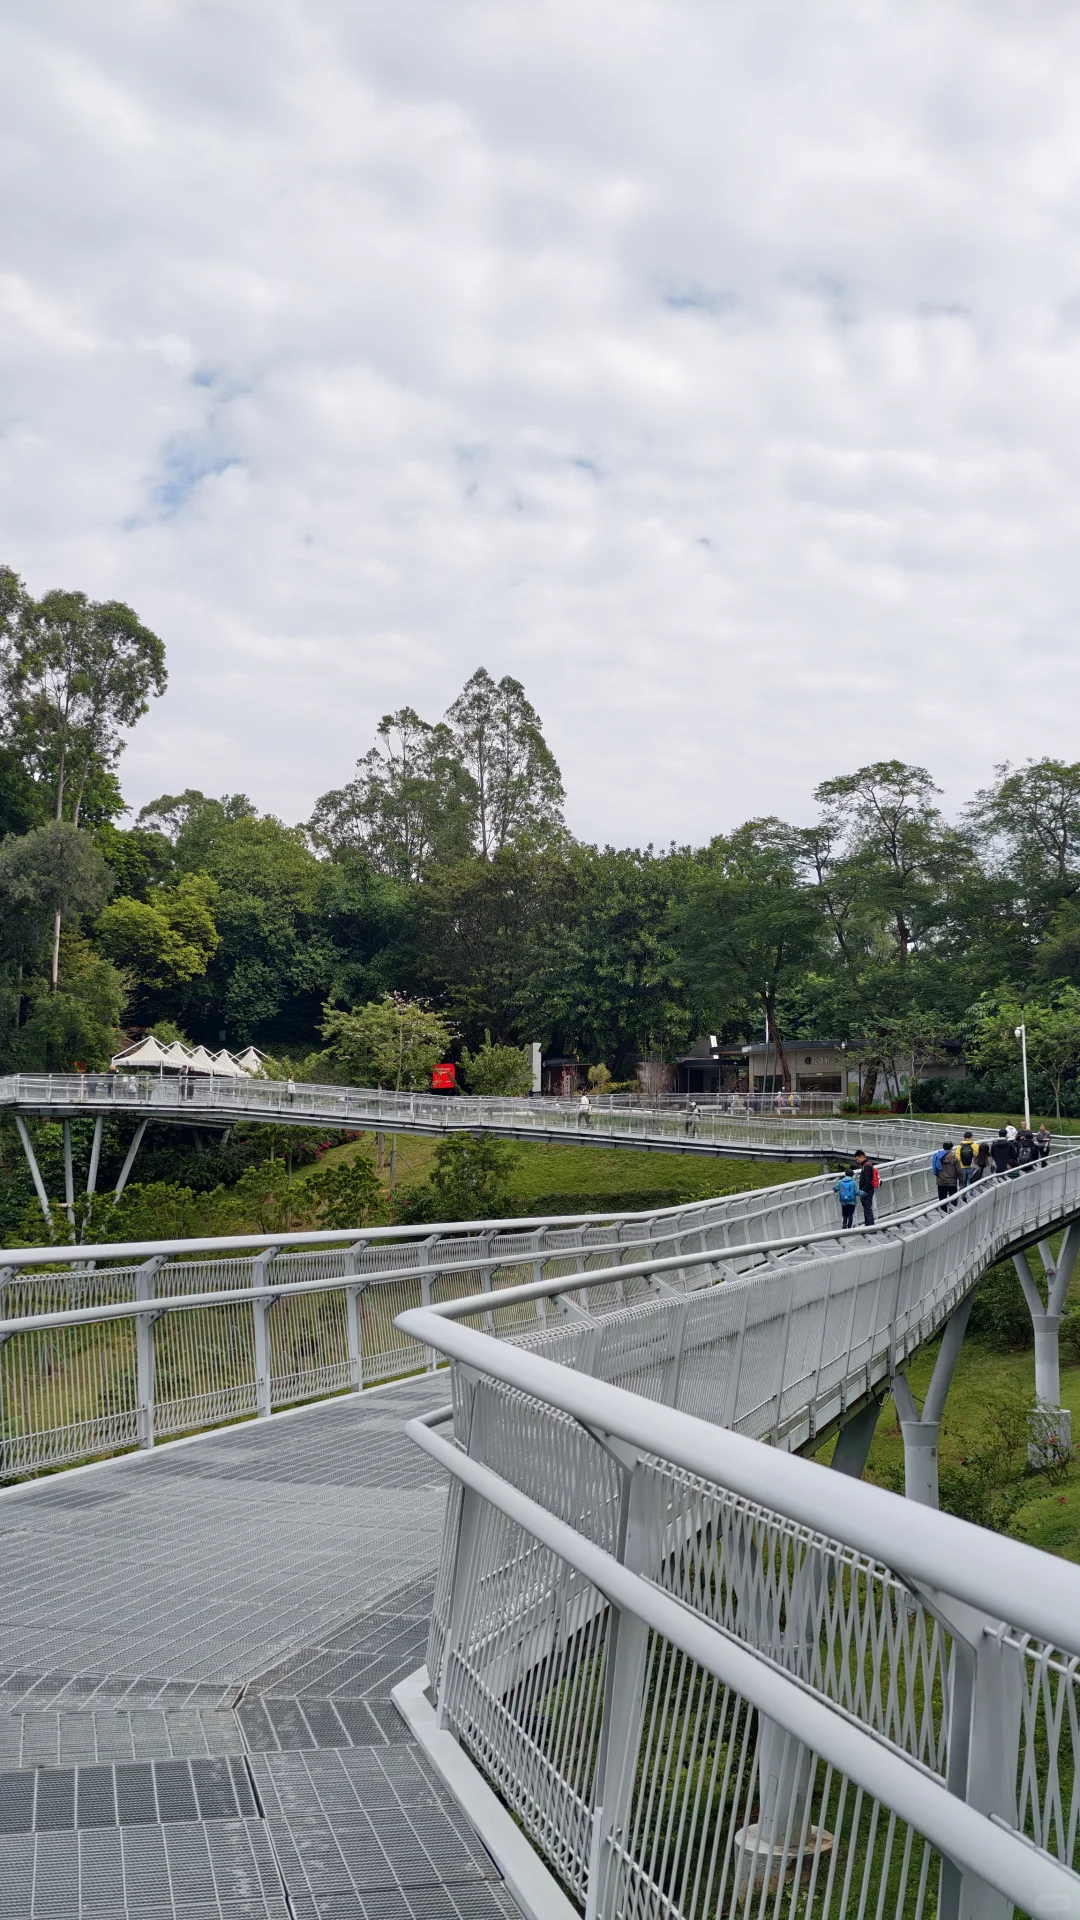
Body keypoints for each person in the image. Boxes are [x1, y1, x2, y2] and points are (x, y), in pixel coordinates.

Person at [853, 1149, 878, 1227]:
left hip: (866, 1191)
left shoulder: (866, 1166)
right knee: (866, 1208)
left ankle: (871, 1227)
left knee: (867, 1209)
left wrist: (863, 1191)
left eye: (857, 1159)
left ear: (862, 1156)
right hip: (867, 1191)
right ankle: (868, 1226)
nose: (857, 1161)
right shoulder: (867, 1165)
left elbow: (868, 1181)